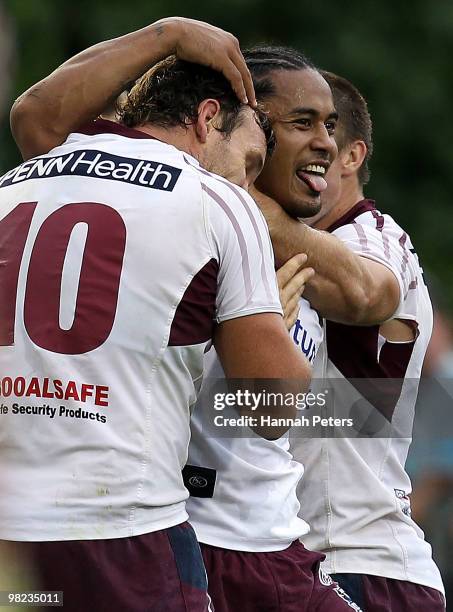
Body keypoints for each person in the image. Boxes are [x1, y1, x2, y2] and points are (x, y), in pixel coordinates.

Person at [0, 51, 313, 611]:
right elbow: (274, 408)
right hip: (123, 533)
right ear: (207, 118)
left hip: (12, 540)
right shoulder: (218, 201)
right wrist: (274, 330)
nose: (249, 183)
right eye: (248, 160)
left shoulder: (12, 184)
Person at [259, 71, 445, 610]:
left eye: (325, 133)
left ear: (352, 155)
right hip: (304, 559)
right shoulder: (272, 243)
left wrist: (237, 189)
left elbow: (366, 292)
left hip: (363, 561)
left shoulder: (369, 233)